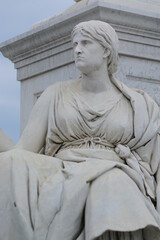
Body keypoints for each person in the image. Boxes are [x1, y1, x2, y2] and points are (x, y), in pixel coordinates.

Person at [0, 20, 160, 240]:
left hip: (111, 167)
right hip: (60, 167)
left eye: (85, 43)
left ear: (106, 50)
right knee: (9, 162)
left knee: (113, 182)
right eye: (75, 44)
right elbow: (23, 150)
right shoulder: (54, 94)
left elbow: (151, 159)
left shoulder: (137, 102)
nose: (77, 49)